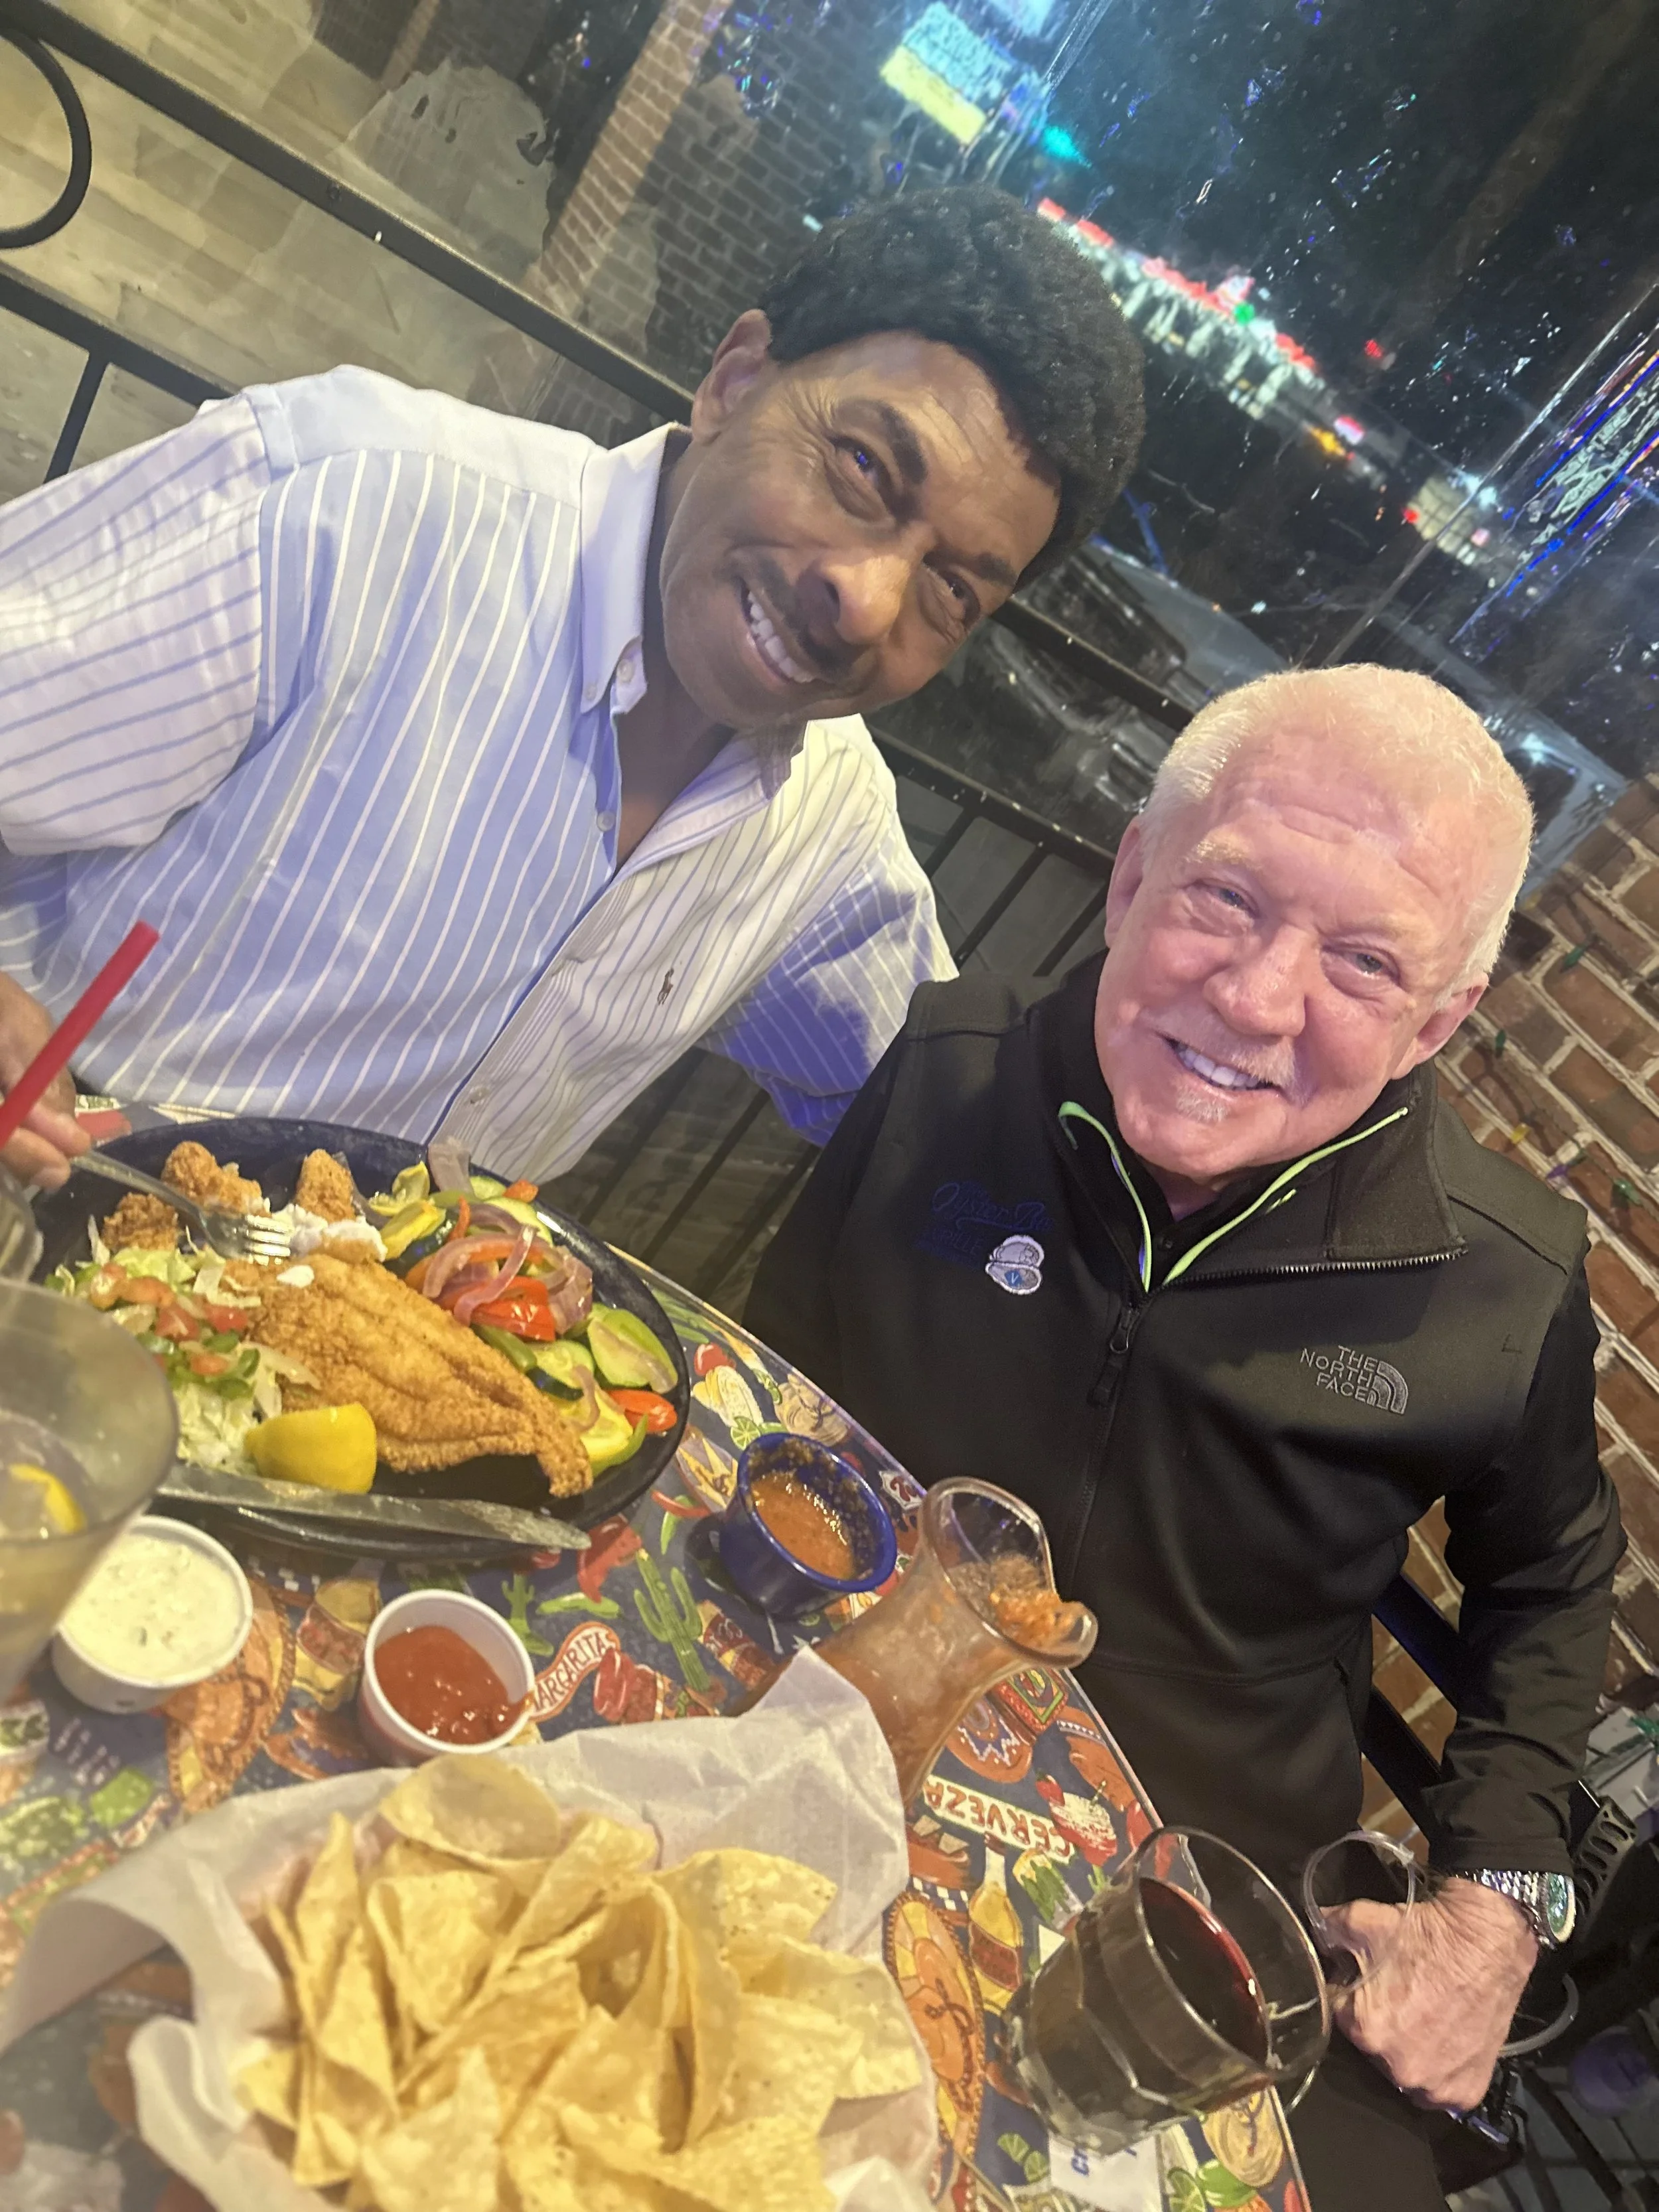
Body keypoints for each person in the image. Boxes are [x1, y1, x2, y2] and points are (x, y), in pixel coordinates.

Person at [745, 664, 1623, 2207]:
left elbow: (1548, 1583)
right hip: (826, 1698)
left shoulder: (1507, 1283)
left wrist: (1499, 1901)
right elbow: (767, 1383)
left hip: (1195, 1875)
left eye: (1363, 961)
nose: (1256, 999)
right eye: (1225, 896)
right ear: (1131, 874)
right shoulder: (947, 1058)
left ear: (1437, 1021)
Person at [0, 186, 1144, 1191]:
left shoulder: (826, 828)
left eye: (952, 588)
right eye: (862, 468)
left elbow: (949, 1136)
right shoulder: (351, 500)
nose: (868, 601)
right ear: (735, 381)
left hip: (369, 1335)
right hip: (48, 1223)